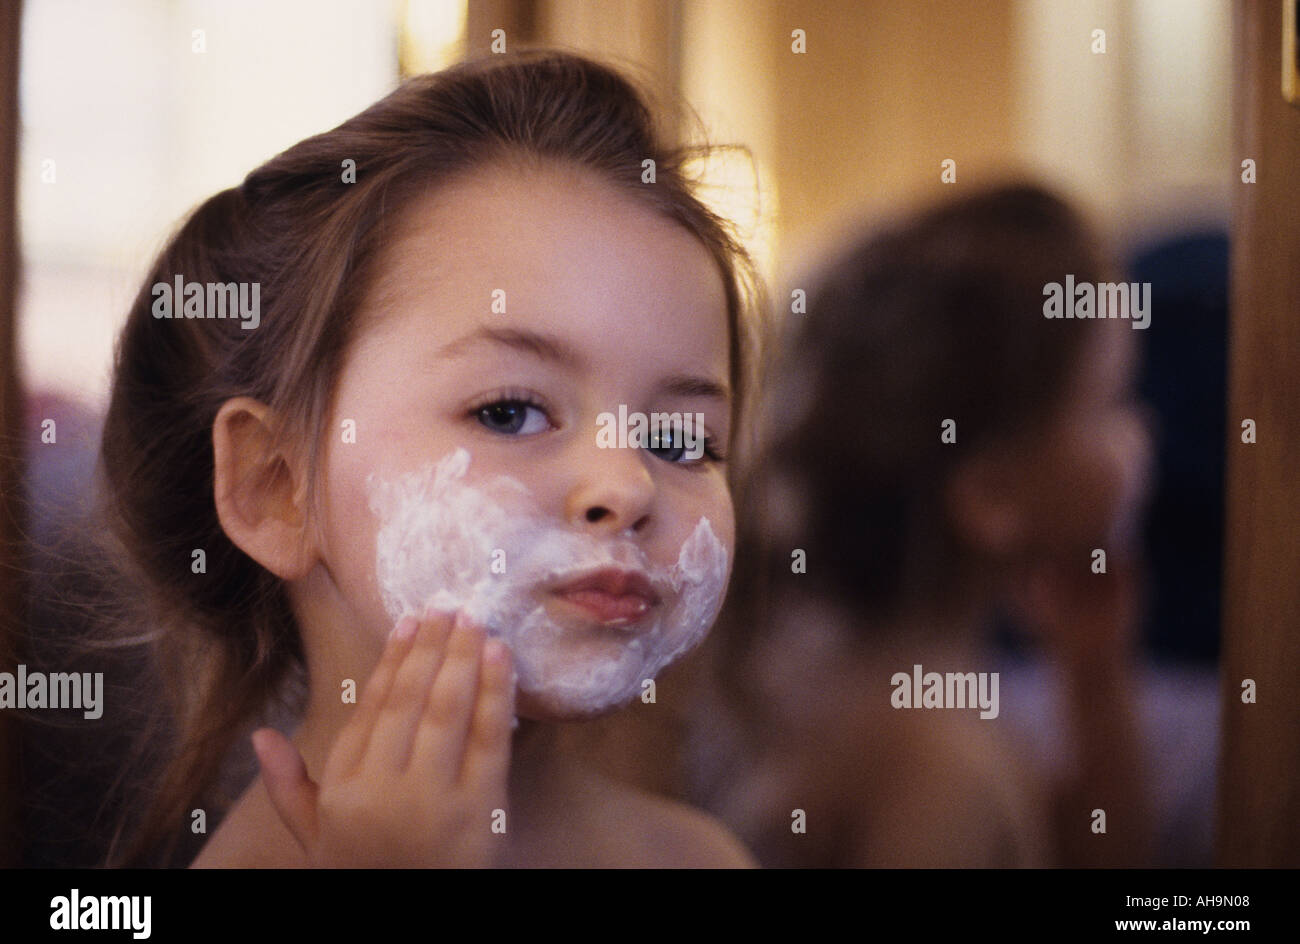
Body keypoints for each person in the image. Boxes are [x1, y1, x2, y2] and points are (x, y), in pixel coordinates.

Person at [95, 49, 765, 868]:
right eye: (510, 411)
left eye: (681, 439)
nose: (626, 485)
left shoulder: (702, 857)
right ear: (277, 486)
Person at [698, 184, 1154, 867]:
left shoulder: (898, 689)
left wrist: (1094, 674)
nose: (1139, 437)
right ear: (992, 494)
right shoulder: (941, 767)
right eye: (1108, 403)